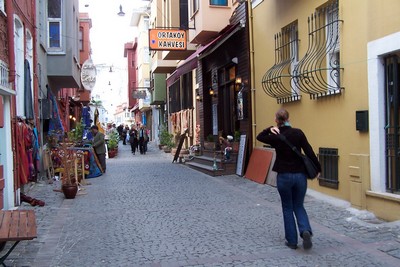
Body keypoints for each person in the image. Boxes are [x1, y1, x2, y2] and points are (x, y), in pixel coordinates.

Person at [256, 108, 321, 250]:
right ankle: (305, 230)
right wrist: (318, 169)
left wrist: (270, 129)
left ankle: (292, 241)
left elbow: (259, 137)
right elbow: (309, 150)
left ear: (276, 120)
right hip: (300, 175)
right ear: (288, 118)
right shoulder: (298, 133)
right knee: (299, 205)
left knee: (287, 207)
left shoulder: (275, 136)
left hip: (284, 175)